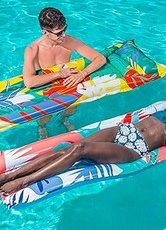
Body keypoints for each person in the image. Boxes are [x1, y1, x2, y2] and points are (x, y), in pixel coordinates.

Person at [0, 84, 166, 196]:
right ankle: (9, 175)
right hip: (122, 131)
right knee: (68, 149)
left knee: (79, 149)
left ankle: (23, 181)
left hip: (134, 149)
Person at [23, 7, 107, 138]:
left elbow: (100, 59)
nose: (63, 35)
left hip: (67, 84)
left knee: (71, 108)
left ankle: (64, 119)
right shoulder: (33, 50)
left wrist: (82, 74)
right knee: (45, 117)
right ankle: (42, 127)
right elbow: (29, 82)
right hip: (45, 87)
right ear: (45, 32)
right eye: (58, 33)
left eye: (64, 29)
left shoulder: (69, 41)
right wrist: (60, 74)